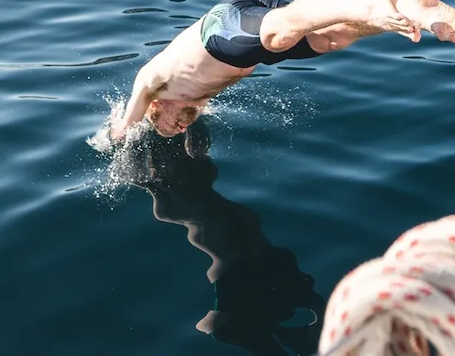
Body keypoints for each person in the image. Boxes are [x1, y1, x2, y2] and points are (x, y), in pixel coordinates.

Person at [112, 0, 455, 139]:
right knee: (332, 39)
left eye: (166, 124)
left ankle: (371, 3)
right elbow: (190, 124)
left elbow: (128, 119)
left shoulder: (152, 82)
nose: (178, 128)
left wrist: (119, 133)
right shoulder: (193, 102)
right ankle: (412, 8)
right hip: (250, 46)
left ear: (156, 107)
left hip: (221, 32)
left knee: (278, 35)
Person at [126, 120, 324, 355]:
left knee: (316, 314)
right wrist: (131, 133)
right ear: (157, 164)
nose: (177, 157)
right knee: (250, 334)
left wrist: (187, 111)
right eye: (169, 155)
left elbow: (197, 135)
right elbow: (135, 176)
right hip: (235, 274)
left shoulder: (199, 168)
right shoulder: (166, 199)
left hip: (266, 257)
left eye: (178, 149)